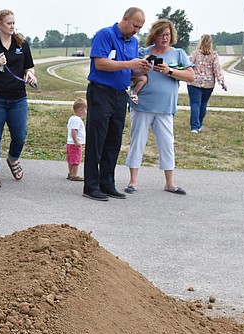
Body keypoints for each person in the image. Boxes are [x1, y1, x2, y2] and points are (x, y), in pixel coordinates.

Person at [83, 7, 151, 202]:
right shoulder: (105, 35)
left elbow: (129, 72)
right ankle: (91, 185)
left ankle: (107, 182)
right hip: (101, 92)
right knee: (97, 139)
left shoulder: (134, 42)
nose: (136, 30)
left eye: (140, 27)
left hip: (120, 94)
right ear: (125, 19)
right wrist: (130, 64)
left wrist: (142, 69)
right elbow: (101, 64)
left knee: (113, 141)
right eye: (135, 25)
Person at [124, 19, 195, 196]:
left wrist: (169, 71)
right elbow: (131, 74)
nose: (164, 38)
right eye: (161, 34)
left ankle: (170, 183)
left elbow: (190, 76)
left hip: (165, 108)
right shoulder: (143, 52)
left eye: (167, 35)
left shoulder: (178, 54)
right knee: (137, 142)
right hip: (142, 105)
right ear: (153, 35)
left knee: (167, 144)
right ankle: (132, 182)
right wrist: (143, 69)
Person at [0, 9, 37, 188]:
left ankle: (12, 159)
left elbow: (29, 67)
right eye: (9, 23)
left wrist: (31, 75)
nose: (12, 26)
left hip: (18, 99)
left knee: (20, 135)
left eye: (13, 23)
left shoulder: (22, 44)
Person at [187, 34, 227, 133]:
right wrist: (222, 82)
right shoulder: (214, 55)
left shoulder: (195, 53)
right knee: (203, 104)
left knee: (195, 104)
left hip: (194, 82)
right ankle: (199, 124)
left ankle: (194, 127)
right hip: (209, 83)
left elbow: (188, 65)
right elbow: (217, 69)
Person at [66, 98, 87, 181]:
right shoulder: (77, 120)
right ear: (80, 110)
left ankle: (70, 173)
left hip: (69, 143)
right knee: (76, 159)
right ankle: (74, 174)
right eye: (86, 109)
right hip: (75, 144)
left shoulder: (72, 118)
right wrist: (76, 141)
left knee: (70, 158)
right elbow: (74, 130)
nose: (86, 111)